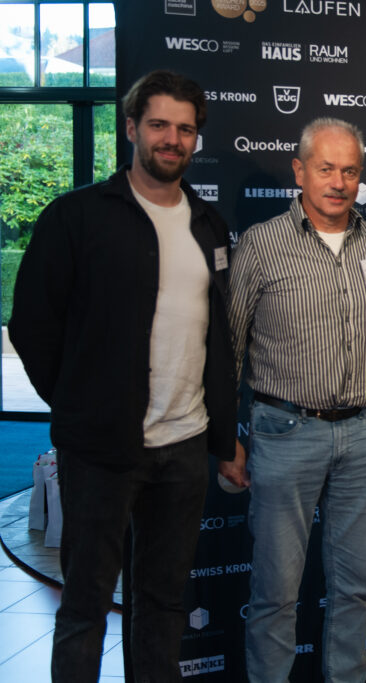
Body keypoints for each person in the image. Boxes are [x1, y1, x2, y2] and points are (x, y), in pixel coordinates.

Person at [9, 70, 235, 681]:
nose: (172, 139)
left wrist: (221, 433)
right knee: (84, 607)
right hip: (100, 450)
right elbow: (32, 325)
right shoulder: (76, 215)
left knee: (162, 603)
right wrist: (78, 404)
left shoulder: (208, 224)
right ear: (131, 128)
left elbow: (217, 338)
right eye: (159, 124)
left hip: (184, 447)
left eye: (184, 129)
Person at [224, 117, 366, 682]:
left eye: (349, 171)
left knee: (355, 589)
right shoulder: (261, 244)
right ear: (299, 171)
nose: (338, 182)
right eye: (326, 169)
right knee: (275, 591)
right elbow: (229, 346)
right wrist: (226, 436)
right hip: (285, 435)